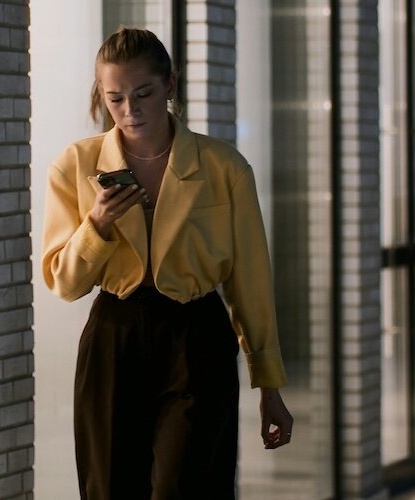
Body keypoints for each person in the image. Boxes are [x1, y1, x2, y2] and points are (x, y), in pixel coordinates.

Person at [42, 27, 294, 499]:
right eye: (115, 98)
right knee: (110, 487)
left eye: (143, 94)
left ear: (170, 86)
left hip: (195, 337)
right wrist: (97, 224)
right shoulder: (76, 165)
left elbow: (251, 282)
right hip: (113, 338)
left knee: (187, 487)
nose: (130, 110)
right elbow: (64, 282)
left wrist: (270, 386)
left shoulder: (223, 167)